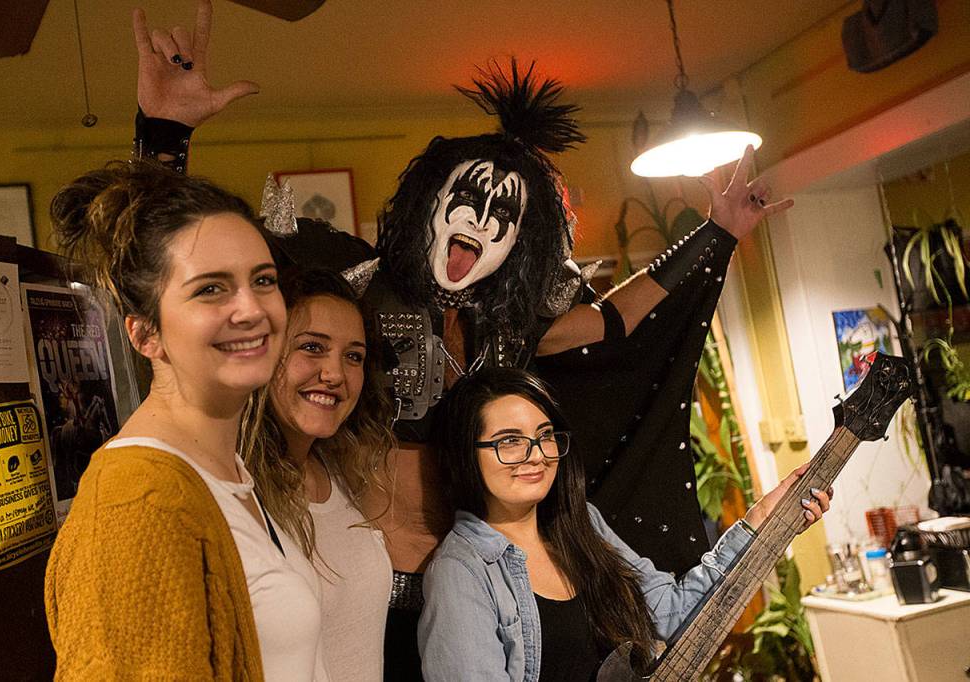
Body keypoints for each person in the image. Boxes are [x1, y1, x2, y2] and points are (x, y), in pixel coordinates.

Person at [129, 4, 794, 677]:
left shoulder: (508, 325)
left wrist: (716, 232)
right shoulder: (357, 293)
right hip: (358, 587)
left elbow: (616, 320)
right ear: (430, 201)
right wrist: (165, 137)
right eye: (469, 199)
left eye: (504, 213)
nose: (482, 220)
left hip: (483, 592)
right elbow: (194, 263)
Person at [43, 160, 332, 680]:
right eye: (210, 289)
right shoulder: (137, 501)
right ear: (145, 334)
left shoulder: (225, 468)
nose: (251, 309)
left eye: (262, 280)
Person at [419, 368, 831, 681]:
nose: (537, 454)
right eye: (509, 441)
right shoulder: (461, 572)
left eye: (544, 435)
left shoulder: (582, 523)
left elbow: (673, 614)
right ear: (465, 454)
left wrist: (759, 521)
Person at [240, 268, 395, 682]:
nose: (335, 374)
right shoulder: (236, 492)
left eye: (353, 356)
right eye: (312, 347)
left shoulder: (343, 468)